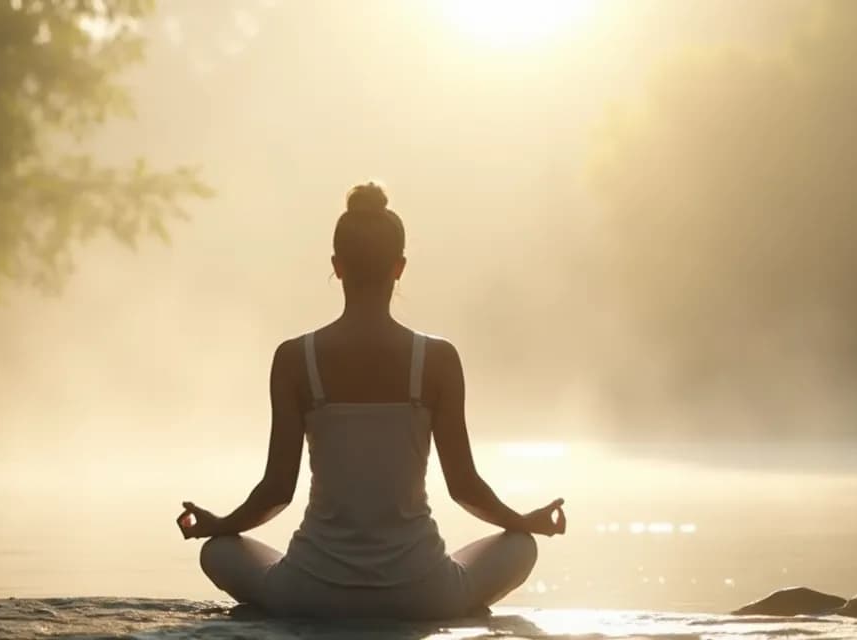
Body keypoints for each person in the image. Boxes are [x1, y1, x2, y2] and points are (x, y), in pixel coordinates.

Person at [176, 182, 567, 620]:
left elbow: (275, 492)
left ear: (337, 266)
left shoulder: (294, 359)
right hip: (423, 593)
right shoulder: (437, 359)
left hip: (309, 593)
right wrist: (524, 520)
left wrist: (219, 524)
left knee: (217, 551)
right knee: (520, 546)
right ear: (399, 268)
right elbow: (464, 488)